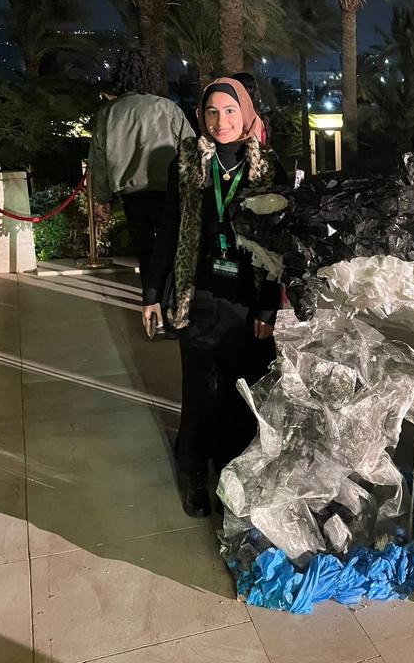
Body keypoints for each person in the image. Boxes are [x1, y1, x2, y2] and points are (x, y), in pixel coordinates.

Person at [142, 77, 288, 518]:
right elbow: (169, 228)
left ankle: (229, 474)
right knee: (200, 389)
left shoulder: (268, 168)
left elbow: (279, 244)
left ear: (246, 113)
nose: (220, 121)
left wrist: (268, 306)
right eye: (211, 111)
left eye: (229, 111)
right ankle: (192, 470)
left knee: (242, 394)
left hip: (247, 298)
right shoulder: (188, 162)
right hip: (199, 292)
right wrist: (152, 293)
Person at [89, 50, 194, 294]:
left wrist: (102, 198)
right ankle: (170, 300)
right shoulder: (167, 108)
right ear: (150, 75)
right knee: (170, 249)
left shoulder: (108, 113)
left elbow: (98, 161)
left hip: (132, 196)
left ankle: (151, 300)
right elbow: (190, 150)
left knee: (144, 252)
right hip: (168, 193)